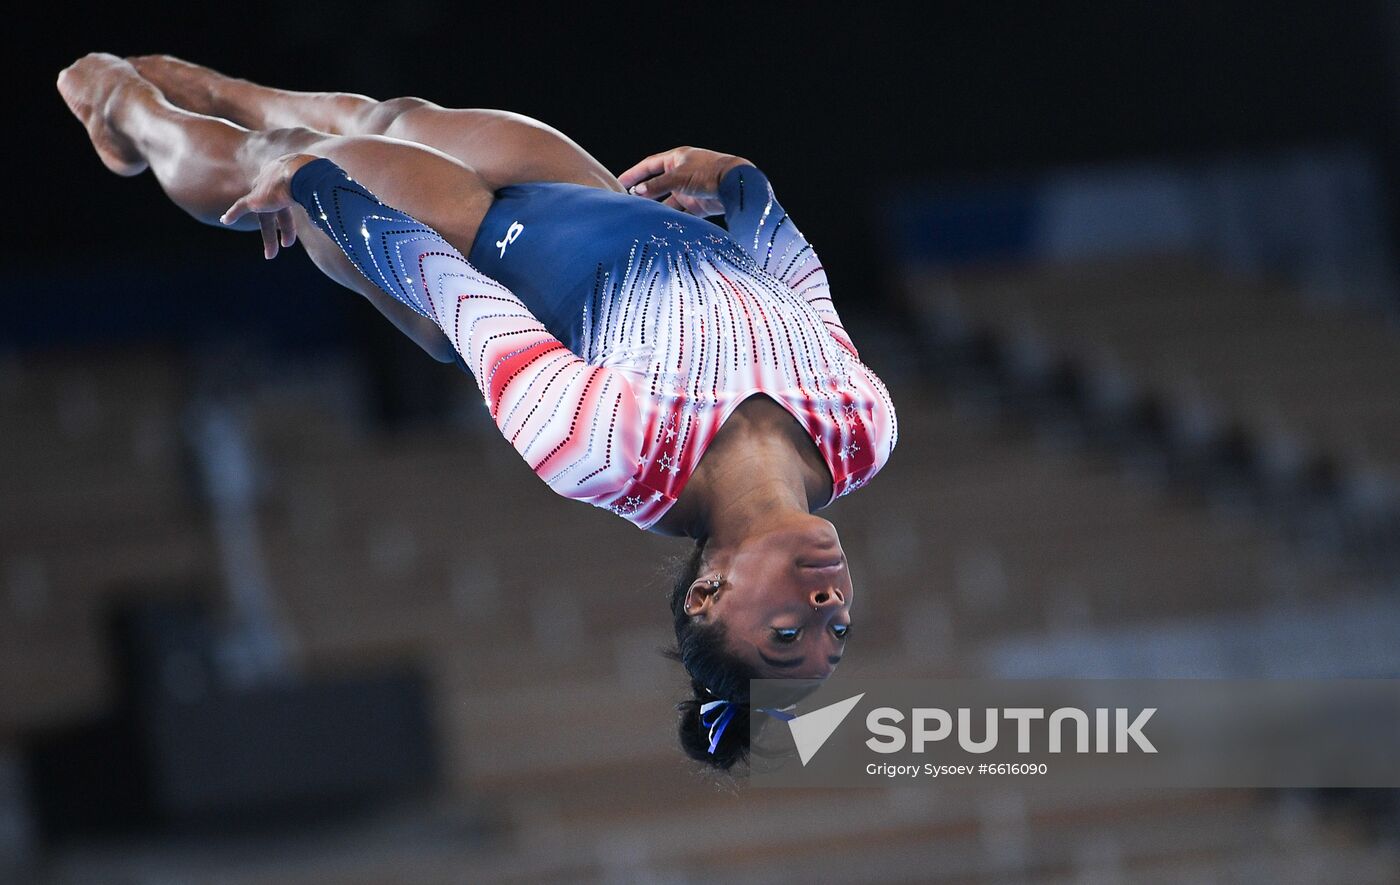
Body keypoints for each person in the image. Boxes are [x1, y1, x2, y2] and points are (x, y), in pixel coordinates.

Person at [57, 53, 898, 769]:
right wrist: (740, 184)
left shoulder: (612, 453)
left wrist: (317, 186)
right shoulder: (863, 433)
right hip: (599, 206)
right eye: (839, 631)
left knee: (273, 165)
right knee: (393, 115)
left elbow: (457, 296)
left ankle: (124, 109)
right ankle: (225, 90)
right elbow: (799, 282)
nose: (829, 605)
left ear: (708, 593)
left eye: (787, 633)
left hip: (469, 241)